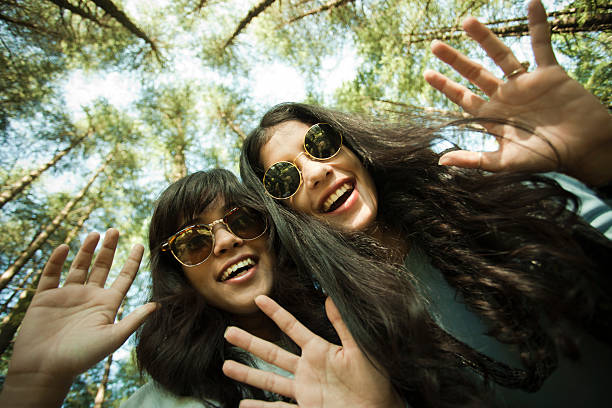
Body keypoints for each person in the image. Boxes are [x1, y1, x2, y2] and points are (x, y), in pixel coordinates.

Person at [237, 1, 612, 406]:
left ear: (354, 147)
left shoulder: (490, 200)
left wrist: (603, 161)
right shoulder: (349, 339)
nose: (315, 173)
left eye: (320, 144)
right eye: (284, 179)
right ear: (285, 214)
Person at [0, 169, 409, 408]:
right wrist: (34, 382)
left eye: (243, 220)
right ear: (180, 276)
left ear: (273, 236)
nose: (226, 241)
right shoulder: (161, 401)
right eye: (194, 242)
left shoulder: (371, 334)